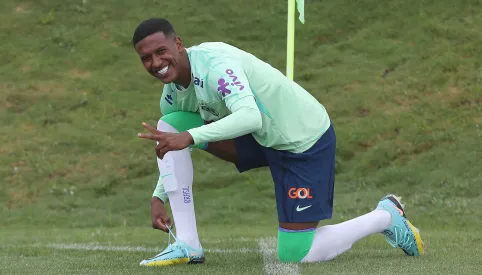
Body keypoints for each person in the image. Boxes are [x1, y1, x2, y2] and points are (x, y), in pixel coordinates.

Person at [133, 18, 424, 267]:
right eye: (147, 58)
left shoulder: (215, 65)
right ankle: (188, 244)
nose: (156, 63)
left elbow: (249, 117)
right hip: (260, 139)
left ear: (179, 44)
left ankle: (385, 216)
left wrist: (191, 136)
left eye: (161, 51)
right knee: (169, 124)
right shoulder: (172, 95)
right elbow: (172, 144)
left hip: (302, 138)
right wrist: (160, 196)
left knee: (297, 253)